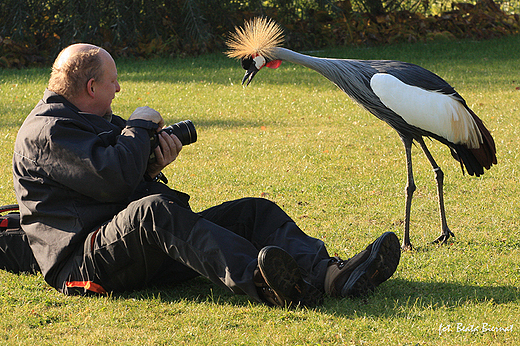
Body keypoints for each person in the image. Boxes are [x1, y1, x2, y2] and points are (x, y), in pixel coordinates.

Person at [12, 43, 401, 307]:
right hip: (84, 262)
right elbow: (110, 179)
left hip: (125, 246)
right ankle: (269, 283)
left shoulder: (87, 118)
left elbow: (108, 180)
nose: (119, 87)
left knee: (252, 211)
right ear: (91, 85)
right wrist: (136, 128)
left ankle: (332, 275)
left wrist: (150, 164)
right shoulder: (47, 130)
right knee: (154, 211)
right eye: (113, 81)